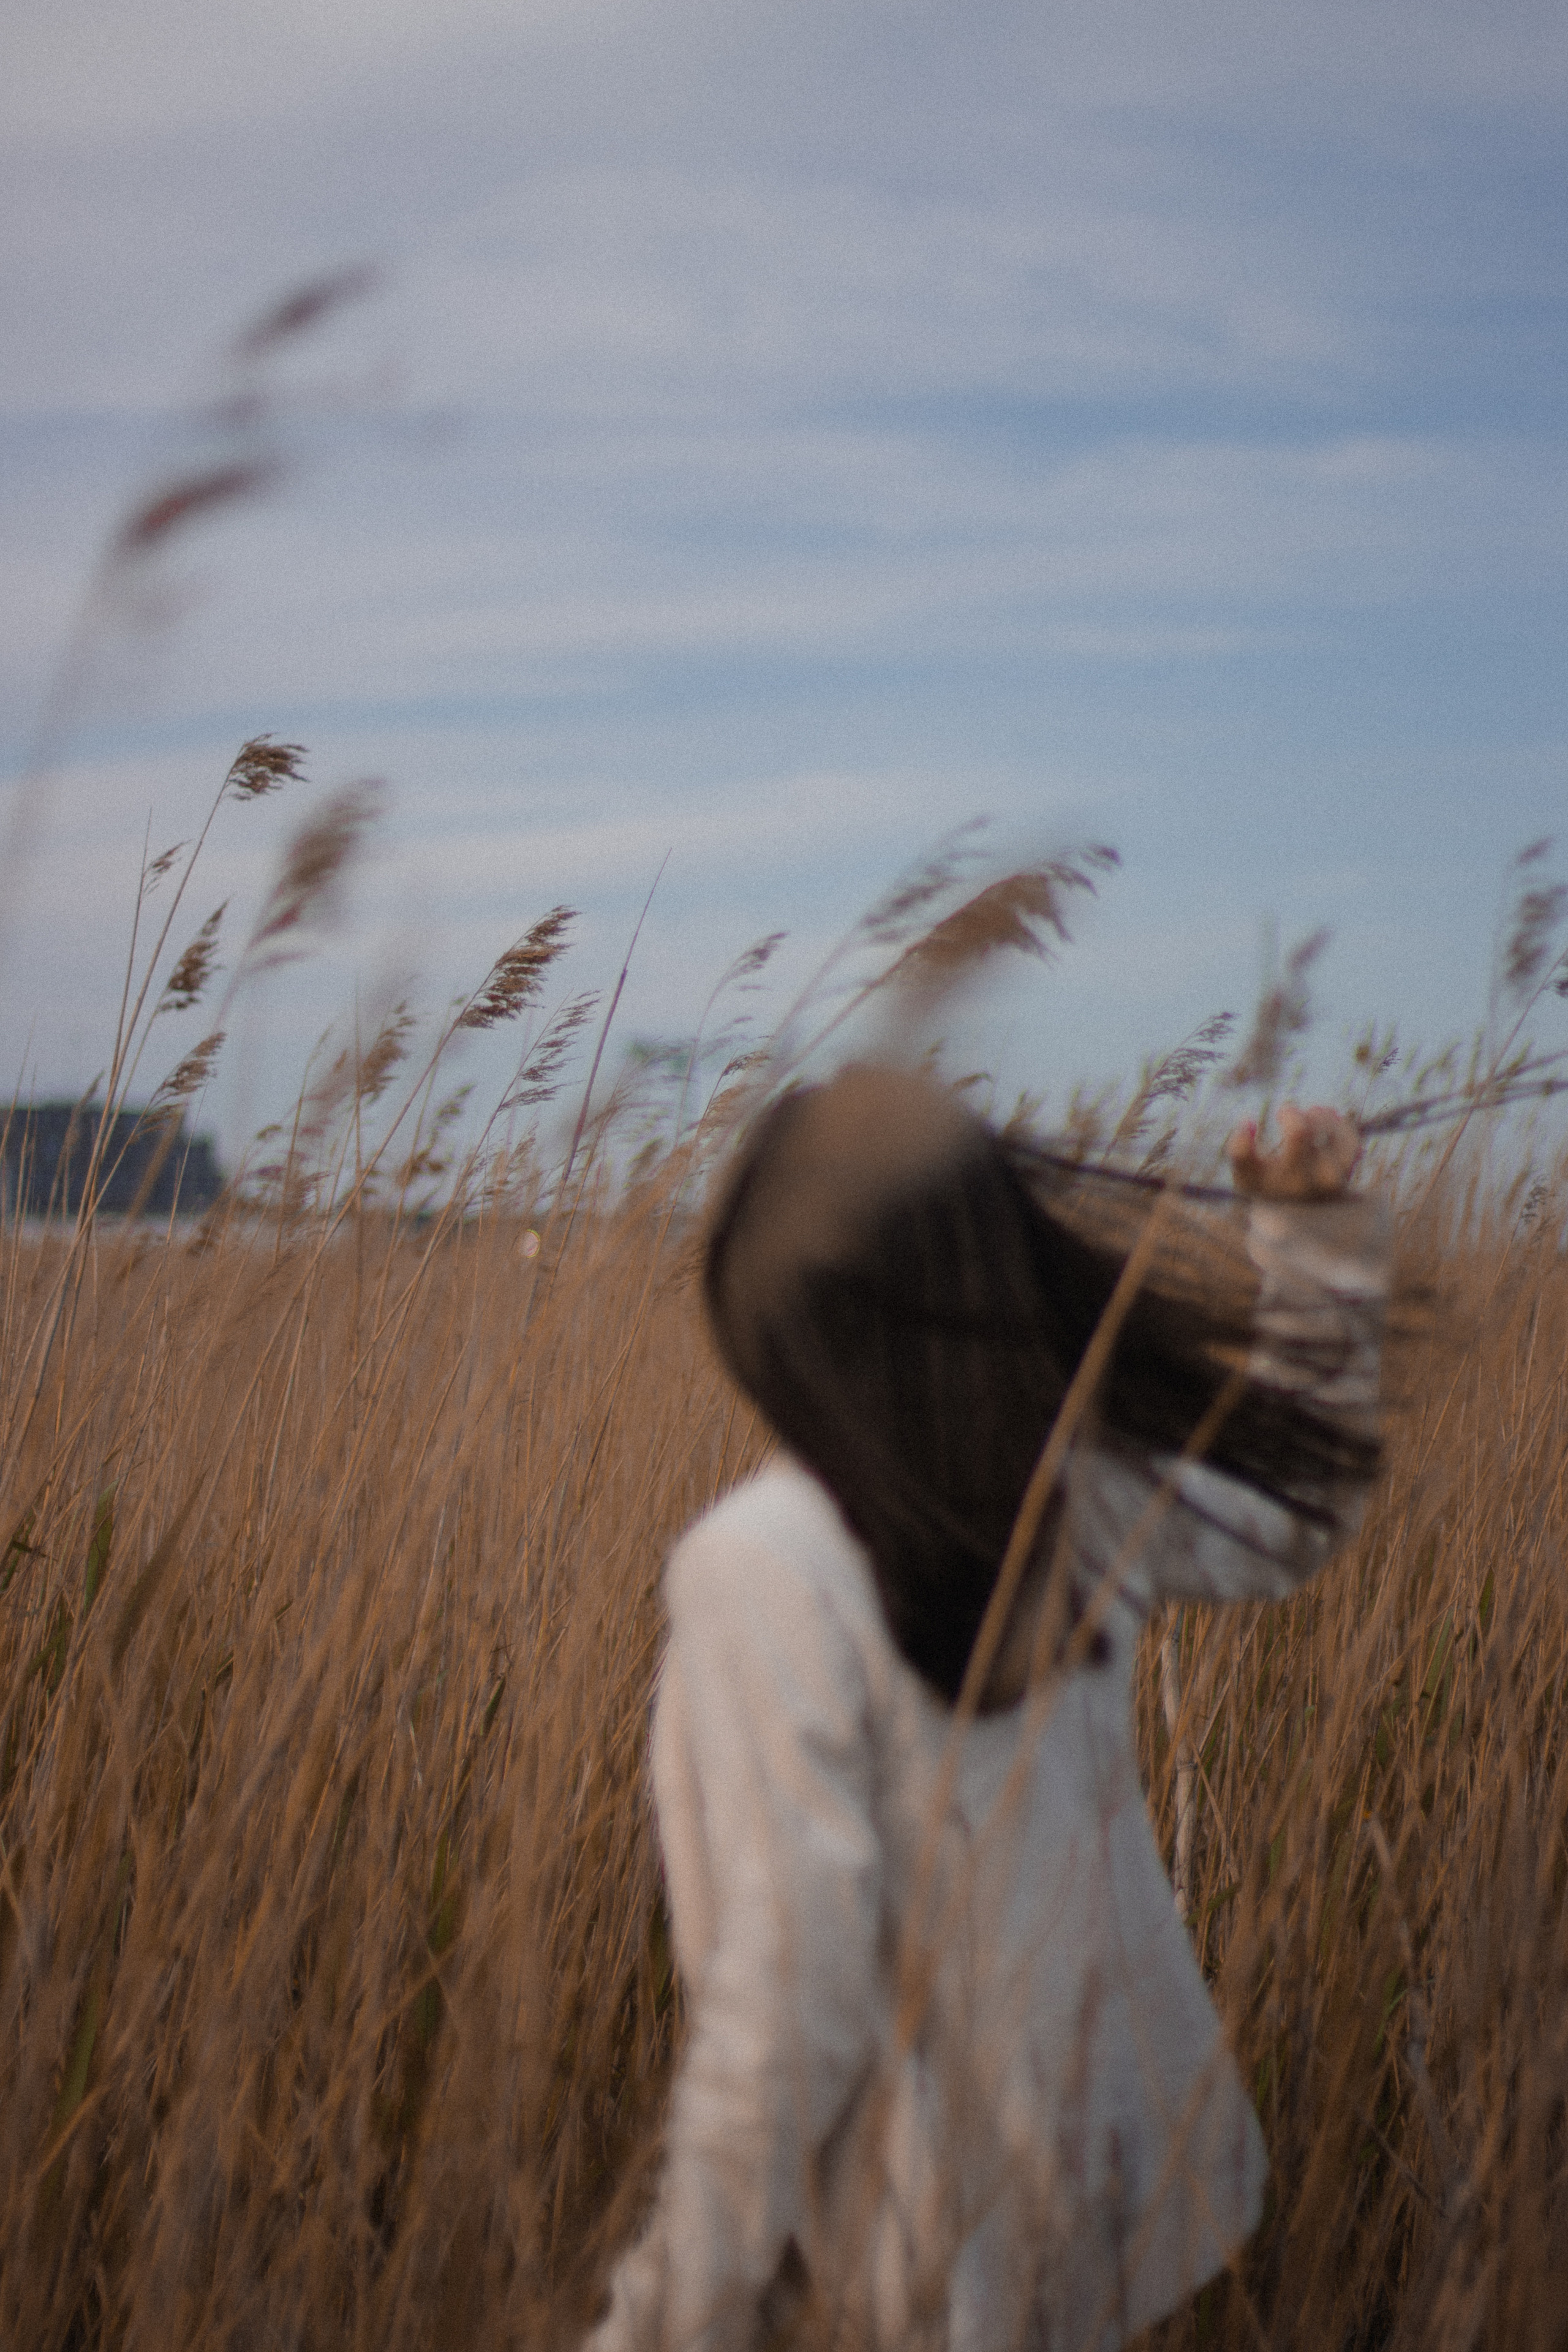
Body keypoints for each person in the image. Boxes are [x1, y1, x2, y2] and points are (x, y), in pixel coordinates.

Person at [588, 1068, 1388, 2352]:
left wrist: (666, 2320)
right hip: (1131, 2197)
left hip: (933, 2252)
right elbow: (1292, 1522)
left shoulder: (763, 1558)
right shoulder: (1063, 1482)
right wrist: (1311, 1251)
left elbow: (787, 1992)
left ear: (774, 1303)